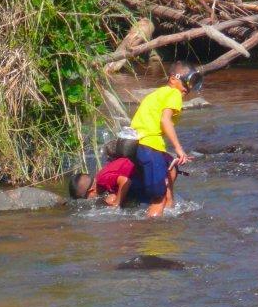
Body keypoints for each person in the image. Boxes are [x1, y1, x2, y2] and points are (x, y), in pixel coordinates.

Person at [130, 61, 202, 217]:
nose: (187, 89)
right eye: (186, 83)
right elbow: (165, 120)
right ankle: (154, 234)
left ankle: (170, 210)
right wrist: (178, 148)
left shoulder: (157, 94)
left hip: (137, 147)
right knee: (158, 198)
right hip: (150, 147)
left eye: (191, 85)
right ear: (173, 79)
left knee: (172, 167)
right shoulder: (174, 94)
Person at [69, 157, 136, 208]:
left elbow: (125, 181)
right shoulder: (99, 179)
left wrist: (116, 204)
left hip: (137, 174)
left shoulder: (103, 180)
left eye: (85, 198)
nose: (87, 200)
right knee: (111, 198)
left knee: (112, 201)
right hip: (134, 171)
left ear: (91, 191)